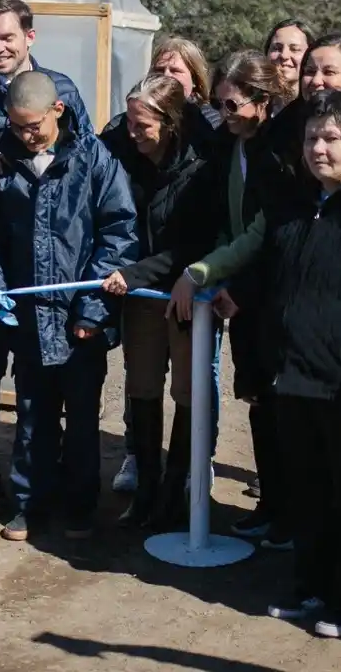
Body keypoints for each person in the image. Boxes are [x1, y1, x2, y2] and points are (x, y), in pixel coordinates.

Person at [214, 92, 341, 636]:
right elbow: (275, 280)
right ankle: (312, 587)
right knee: (308, 493)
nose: (318, 149)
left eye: (330, 139)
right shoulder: (298, 203)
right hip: (292, 377)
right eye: (310, 138)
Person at [0, 71, 137, 542]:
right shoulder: (3, 161)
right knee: (32, 415)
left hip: (77, 320)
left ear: (57, 111)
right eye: (17, 126)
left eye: (34, 127)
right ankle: (29, 504)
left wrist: (92, 311)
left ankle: (80, 507)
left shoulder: (94, 160)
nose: (26, 135)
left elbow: (119, 234)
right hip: (28, 318)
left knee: (83, 419)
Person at [0, 0, 93, 511]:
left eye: (7, 37)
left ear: (29, 37)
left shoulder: (64, 89)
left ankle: (51, 479)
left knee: (48, 375)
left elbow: (84, 165)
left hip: (53, 258)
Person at [167, 51, 292, 549]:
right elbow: (227, 217)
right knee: (258, 401)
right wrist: (221, 276)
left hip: (268, 291)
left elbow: (265, 229)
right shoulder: (228, 144)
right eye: (220, 103)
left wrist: (207, 271)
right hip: (237, 289)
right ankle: (273, 506)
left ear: (263, 101)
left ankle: (292, 512)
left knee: (283, 407)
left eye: (235, 103)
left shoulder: (278, 151)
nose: (227, 112)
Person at [101, 75, 220, 529]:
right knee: (142, 385)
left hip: (185, 294)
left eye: (142, 125)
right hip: (141, 298)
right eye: (129, 122)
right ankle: (146, 489)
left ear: (170, 124)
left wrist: (133, 275)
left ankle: (176, 489)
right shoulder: (121, 154)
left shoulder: (201, 166)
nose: (132, 132)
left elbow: (193, 242)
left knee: (188, 391)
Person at [263, 19, 316, 105]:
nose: (284, 55)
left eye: (295, 49)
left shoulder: (318, 112)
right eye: (277, 48)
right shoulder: (253, 107)